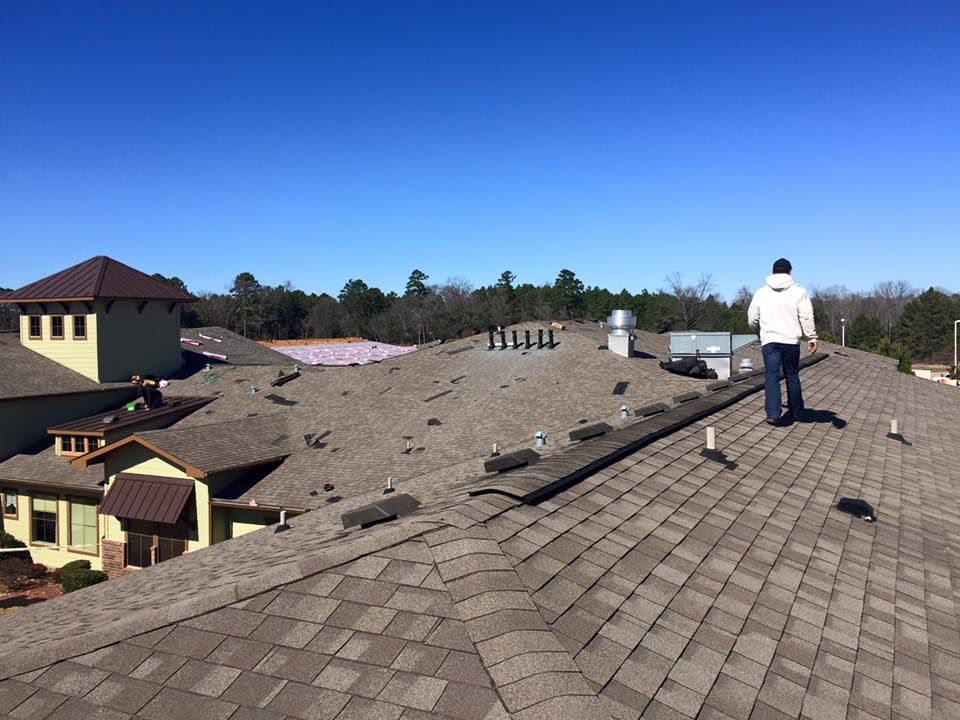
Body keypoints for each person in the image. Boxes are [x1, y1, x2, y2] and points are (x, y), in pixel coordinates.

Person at [747, 258, 818, 425]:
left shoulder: (761, 293)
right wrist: (811, 337)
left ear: (773, 272)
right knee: (792, 375)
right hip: (791, 341)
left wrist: (760, 333)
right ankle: (796, 411)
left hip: (770, 341)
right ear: (789, 272)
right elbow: (806, 316)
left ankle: (773, 414)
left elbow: (752, 319)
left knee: (771, 376)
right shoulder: (798, 292)